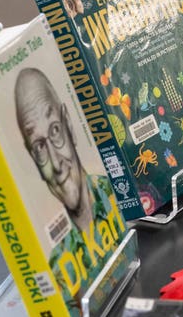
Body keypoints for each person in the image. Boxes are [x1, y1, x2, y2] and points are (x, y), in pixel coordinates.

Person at [14, 67, 121, 285]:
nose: (55, 164)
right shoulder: (59, 270)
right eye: (39, 146)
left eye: (54, 130)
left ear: (69, 126)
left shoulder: (115, 194)